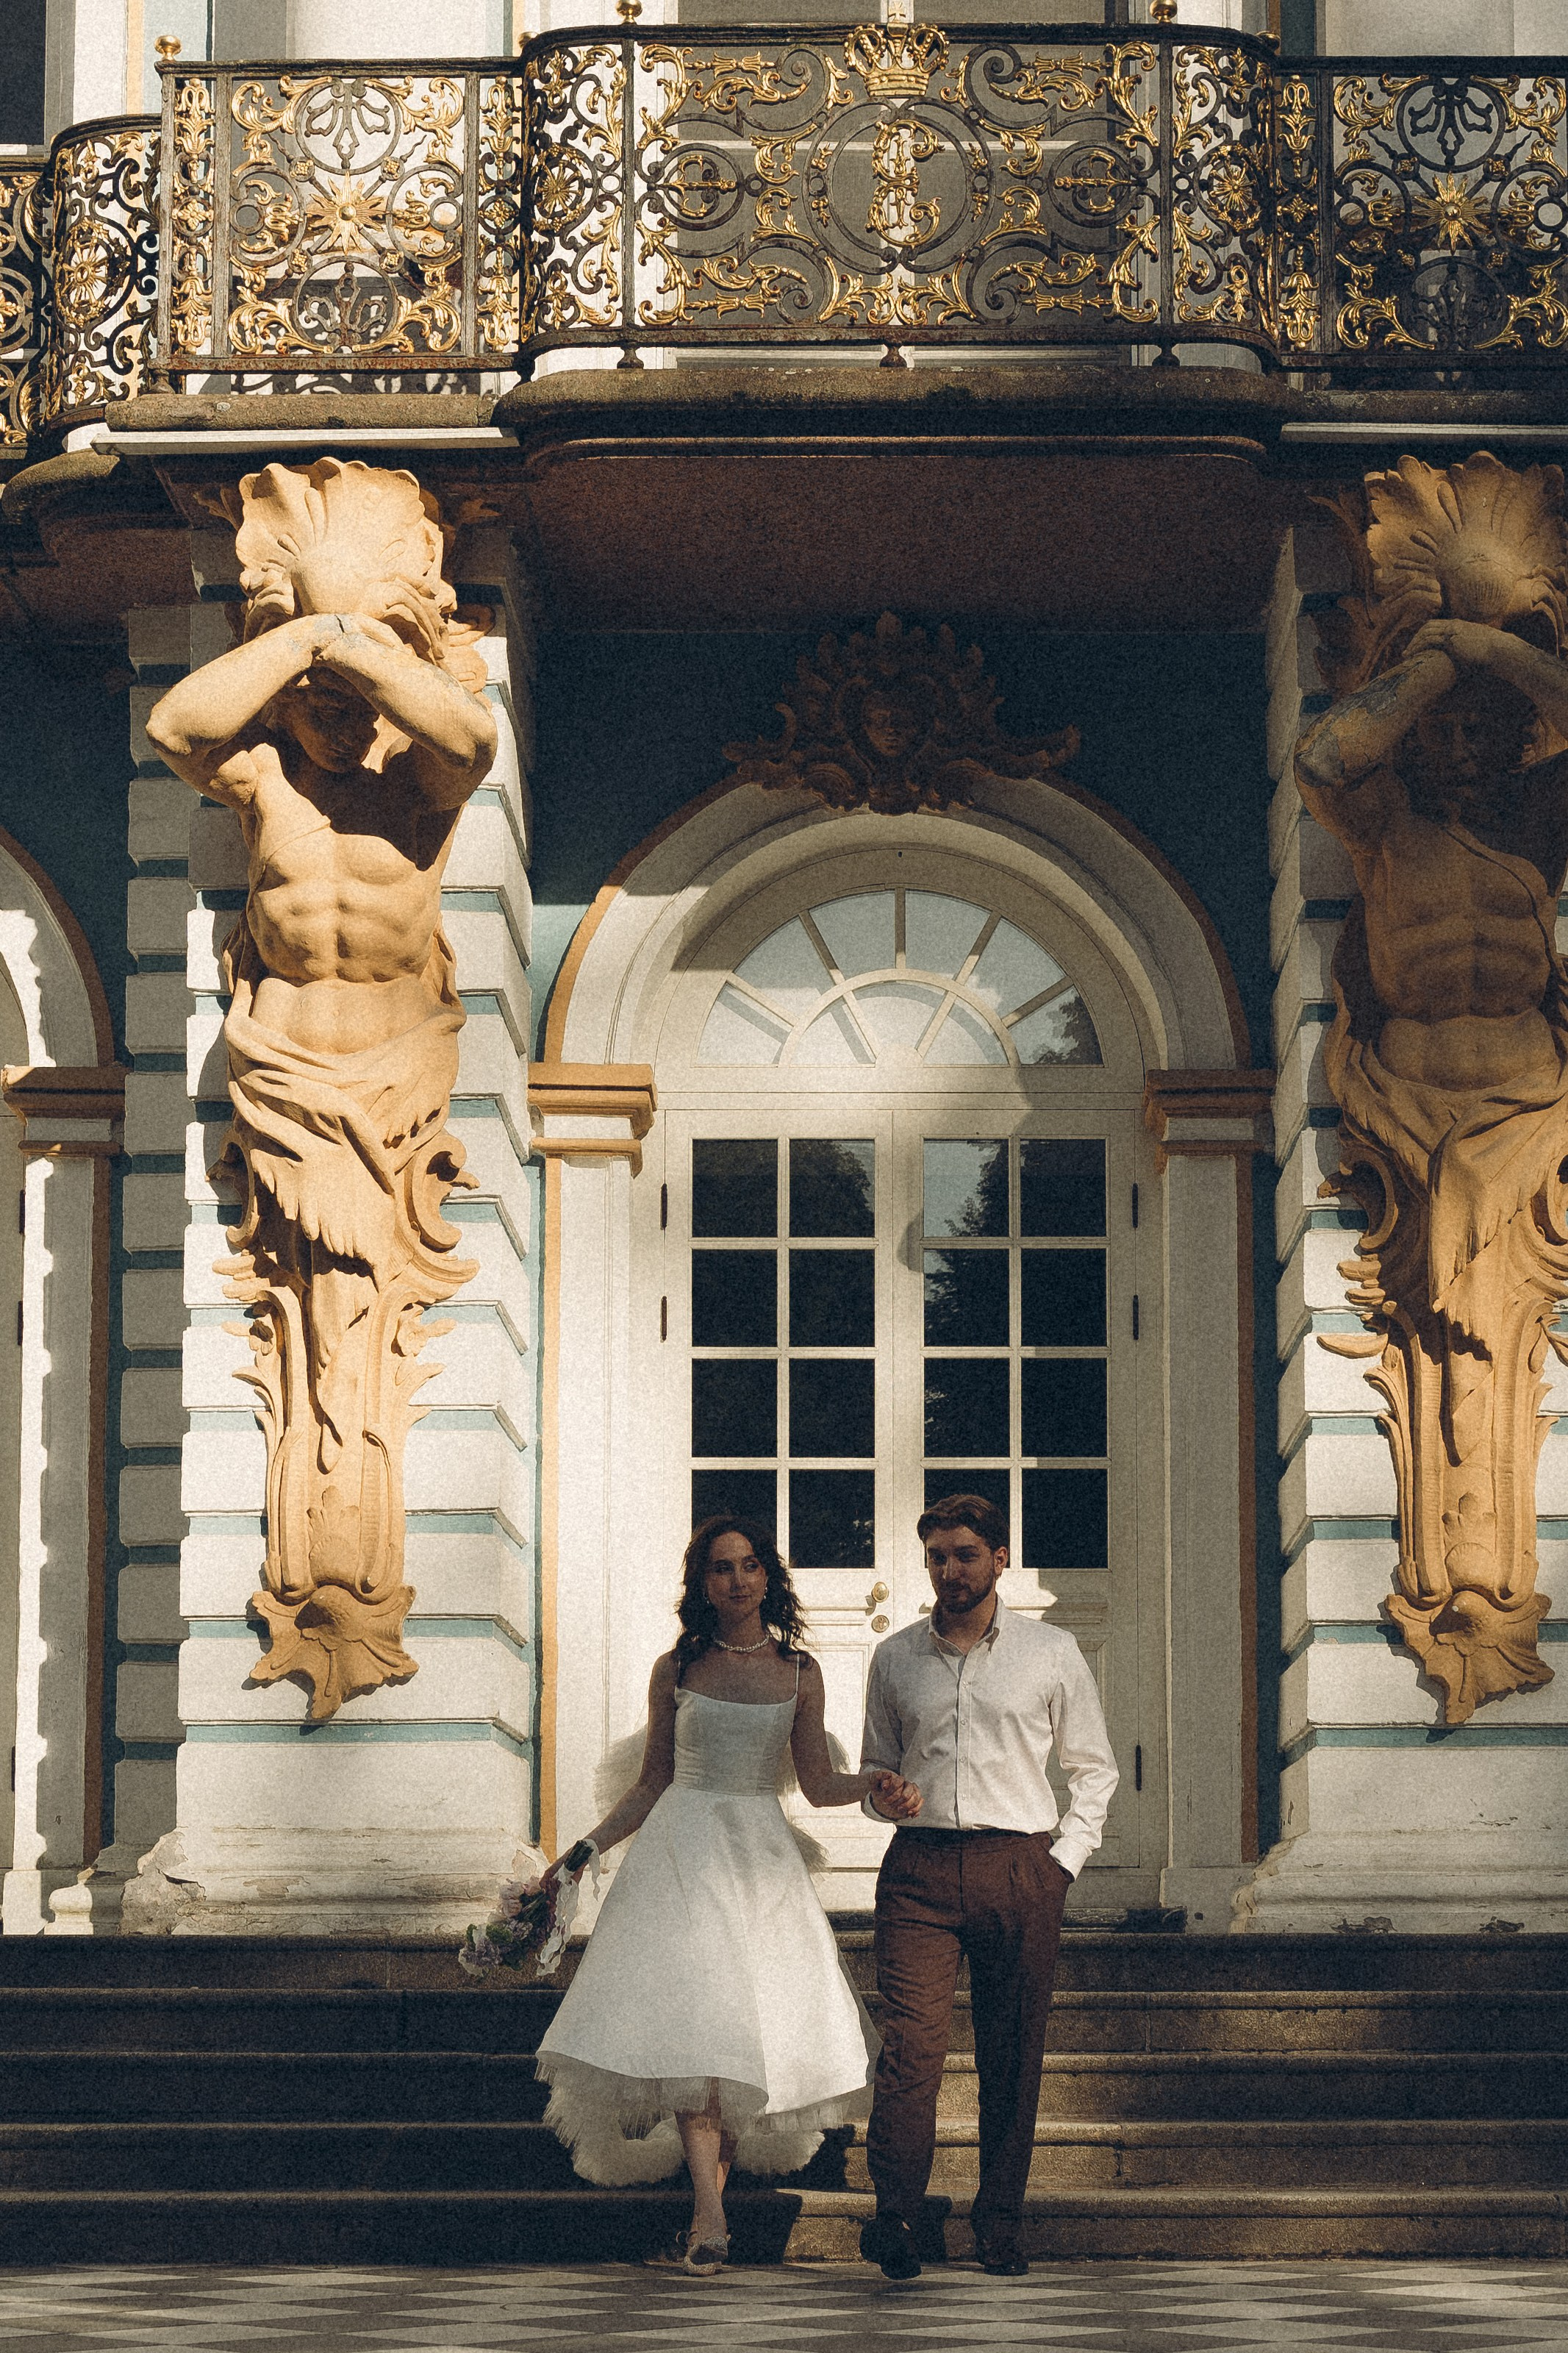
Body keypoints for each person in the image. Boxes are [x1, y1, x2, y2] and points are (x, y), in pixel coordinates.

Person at [533, 1515, 922, 2275]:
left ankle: (705, 2218)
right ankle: (710, 2217)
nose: (737, 1579)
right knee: (697, 2034)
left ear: (768, 1577)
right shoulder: (676, 1666)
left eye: (749, 1566)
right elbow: (652, 1781)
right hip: (682, 1852)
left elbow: (815, 1781)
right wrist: (583, 1851)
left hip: (760, 1858)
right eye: (720, 1567)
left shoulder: (802, 1671)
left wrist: (871, 1783)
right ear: (701, 1581)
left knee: (744, 2036)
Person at [858, 1494, 1118, 2282]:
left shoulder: (1051, 1651)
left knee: (1013, 2052)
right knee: (910, 2051)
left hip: (1020, 1868)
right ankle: (896, 2216)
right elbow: (878, 1772)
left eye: (966, 1553)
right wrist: (886, 1797)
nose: (950, 1569)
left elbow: (1093, 1769)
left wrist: (1061, 1861)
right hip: (920, 1872)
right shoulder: (895, 1657)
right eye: (938, 1555)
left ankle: (999, 2223)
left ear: (1000, 1557)